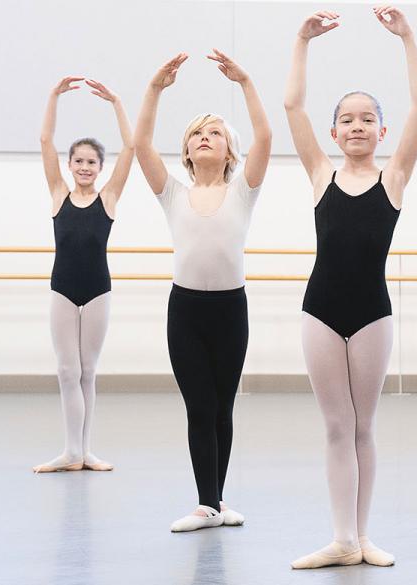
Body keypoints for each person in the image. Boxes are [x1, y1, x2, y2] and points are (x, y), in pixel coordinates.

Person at [284, 6, 417, 569]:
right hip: (320, 311)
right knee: (335, 425)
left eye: (367, 119)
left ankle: (362, 538)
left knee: (364, 426)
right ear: (334, 131)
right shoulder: (321, 175)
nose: (357, 127)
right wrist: (302, 41)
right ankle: (340, 537)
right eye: (347, 119)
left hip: (372, 313)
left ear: (381, 130)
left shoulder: (393, 180)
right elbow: (293, 105)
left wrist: (407, 38)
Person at [133, 49, 272, 533]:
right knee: (200, 406)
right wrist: (154, 89)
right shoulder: (173, 192)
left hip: (231, 309)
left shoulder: (243, 191)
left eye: (214, 132)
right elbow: (140, 143)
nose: (205, 138)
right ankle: (206, 504)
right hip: (186, 310)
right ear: (187, 151)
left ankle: (215, 502)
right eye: (196, 133)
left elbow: (267, 136)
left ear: (230, 151)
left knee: (224, 405)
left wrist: (246, 81)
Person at [32, 75, 135, 474]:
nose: (85, 167)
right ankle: (70, 451)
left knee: (88, 370)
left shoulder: (108, 198)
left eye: (92, 162)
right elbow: (45, 142)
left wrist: (116, 103)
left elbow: (131, 147)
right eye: (78, 161)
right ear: (69, 165)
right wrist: (53, 96)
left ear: (100, 167)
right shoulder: (59, 193)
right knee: (66, 369)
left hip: (97, 291)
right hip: (62, 289)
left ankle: (84, 452)